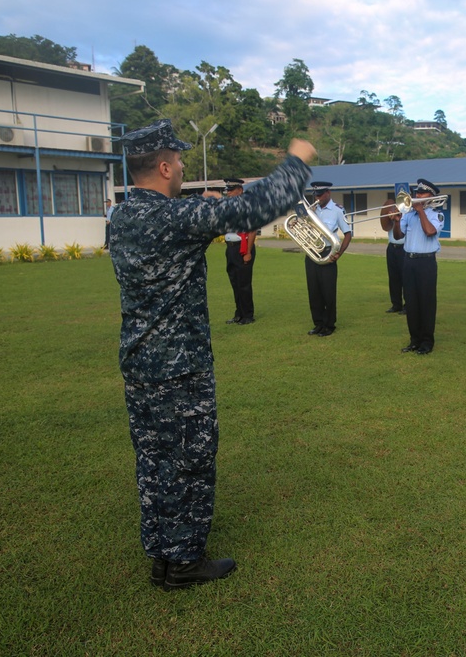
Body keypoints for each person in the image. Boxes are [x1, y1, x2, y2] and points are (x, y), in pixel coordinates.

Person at [110, 118, 314, 590]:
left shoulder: (123, 217)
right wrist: (297, 161)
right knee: (191, 457)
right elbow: (255, 210)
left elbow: (179, 223)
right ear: (163, 166)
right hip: (179, 366)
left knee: (155, 460)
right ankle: (184, 563)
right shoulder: (174, 220)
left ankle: (163, 554)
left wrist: (203, 207)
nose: (182, 166)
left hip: (140, 363)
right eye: (179, 160)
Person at [392, 179, 444, 355]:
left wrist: (421, 211)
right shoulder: (408, 214)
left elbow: (430, 232)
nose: (417, 196)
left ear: (431, 197)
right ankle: (414, 340)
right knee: (411, 303)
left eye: (422, 194)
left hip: (426, 263)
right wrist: (397, 221)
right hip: (409, 261)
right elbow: (398, 236)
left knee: (426, 303)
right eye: (417, 193)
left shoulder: (436, 215)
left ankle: (427, 342)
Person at [304, 181, 351, 336]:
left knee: (328, 292)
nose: (317, 198)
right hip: (311, 253)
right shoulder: (311, 210)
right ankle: (318, 323)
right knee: (314, 291)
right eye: (315, 195)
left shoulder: (338, 210)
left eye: (320, 194)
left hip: (328, 252)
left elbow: (348, 234)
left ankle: (329, 325)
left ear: (328, 193)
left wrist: (338, 254)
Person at [221, 178, 258, 325]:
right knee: (235, 282)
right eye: (227, 190)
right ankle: (239, 313)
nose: (228, 193)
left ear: (240, 190)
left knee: (244, 283)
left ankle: (248, 314)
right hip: (230, 247)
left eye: (231, 190)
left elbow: (253, 230)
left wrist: (248, 251)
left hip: (243, 248)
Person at [379, 197, 406, 314]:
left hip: (404, 247)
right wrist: (388, 216)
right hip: (392, 247)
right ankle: (396, 304)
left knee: (406, 278)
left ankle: (408, 304)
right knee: (393, 277)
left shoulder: (409, 211)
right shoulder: (392, 208)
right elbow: (386, 227)